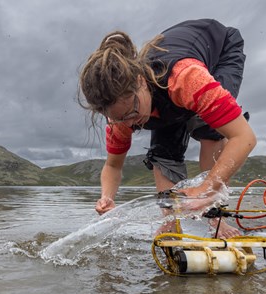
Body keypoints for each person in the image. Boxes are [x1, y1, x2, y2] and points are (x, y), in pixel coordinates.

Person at [77, 19, 256, 239]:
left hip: (219, 50)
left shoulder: (185, 78)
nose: (132, 124)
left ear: (141, 81)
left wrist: (207, 188)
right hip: (166, 89)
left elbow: (243, 137)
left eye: (132, 112)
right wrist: (107, 197)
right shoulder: (120, 117)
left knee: (207, 127)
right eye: (121, 119)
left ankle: (216, 219)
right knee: (162, 149)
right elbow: (113, 165)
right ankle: (170, 221)